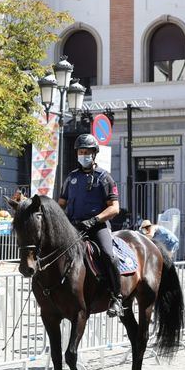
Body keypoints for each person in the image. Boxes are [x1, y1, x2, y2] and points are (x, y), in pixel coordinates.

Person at [58, 134, 123, 318]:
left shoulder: (105, 178)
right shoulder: (71, 178)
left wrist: (95, 220)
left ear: (94, 154)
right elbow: (61, 204)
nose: (83, 155)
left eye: (87, 152)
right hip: (73, 227)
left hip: (97, 227)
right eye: (80, 152)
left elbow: (115, 208)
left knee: (108, 255)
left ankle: (116, 297)